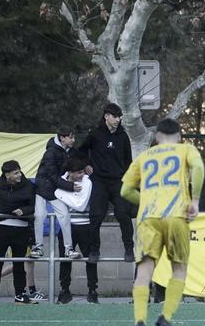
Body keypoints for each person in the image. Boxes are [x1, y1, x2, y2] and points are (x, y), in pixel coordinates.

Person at [120, 119, 205, 326]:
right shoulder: (185, 149)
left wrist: (146, 202)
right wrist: (195, 200)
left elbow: (125, 190)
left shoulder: (144, 157)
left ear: (157, 137)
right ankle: (165, 317)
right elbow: (198, 168)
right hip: (176, 215)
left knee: (144, 272)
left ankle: (140, 322)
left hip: (148, 218)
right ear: (179, 137)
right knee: (179, 269)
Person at [77, 103, 134, 264]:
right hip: (99, 181)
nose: (118, 120)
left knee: (123, 214)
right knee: (96, 217)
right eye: (115, 116)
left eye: (119, 117)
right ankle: (94, 251)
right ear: (106, 116)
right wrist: (87, 165)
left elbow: (128, 160)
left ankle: (129, 249)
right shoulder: (95, 134)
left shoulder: (123, 136)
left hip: (118, 182)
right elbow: (81, 151)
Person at [0, 160, 36, 305]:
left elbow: (33, 205)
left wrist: (23, 210)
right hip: (1, 228)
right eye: (15, 173)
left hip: (21, 229)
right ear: (7, 175)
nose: (19, 175)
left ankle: (20, 294)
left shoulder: (28, 185)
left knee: (19, 264)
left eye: (19, 172)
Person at [31, 126, 82, 261]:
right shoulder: (50, 153)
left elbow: (81, 158)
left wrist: (87, 165)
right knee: (39, 216)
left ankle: (69, 249)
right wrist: (70, 186)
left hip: (55, 189)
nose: (73, 140)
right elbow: (52, 176)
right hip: (43, 189)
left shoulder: (70, 151)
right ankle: (38, 247)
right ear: (62, 138)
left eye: (74, 137)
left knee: (64, 216)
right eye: (71, 137)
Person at [54, 157, 97, 304]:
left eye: (82, 171)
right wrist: (64, 191)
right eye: (78, 173)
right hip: (67, 227)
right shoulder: (60, 181)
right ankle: (65, 291)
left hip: (86, 225)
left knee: (90, 260)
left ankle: (92, 291)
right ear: (70, 172)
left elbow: (81, 206)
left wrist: (61, 194)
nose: (81, 175)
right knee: (65, 260)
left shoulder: (87, 181)